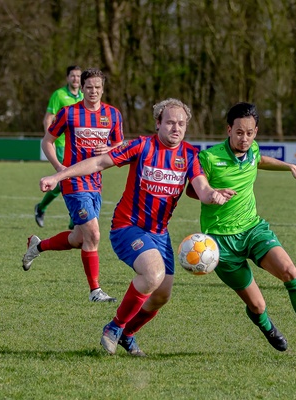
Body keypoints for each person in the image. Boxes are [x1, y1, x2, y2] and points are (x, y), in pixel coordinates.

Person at [38, 98, 233, 356]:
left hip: (159, 234)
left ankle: (128, 335)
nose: (176, 128)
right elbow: (99, 163)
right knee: (152, 275)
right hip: (127, 227)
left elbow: (202, 189)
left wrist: (213, 196)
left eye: (182, 124)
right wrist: (58, 175)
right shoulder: (142, 146)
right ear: (158, 124)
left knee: (162, 295)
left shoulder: (189, 155)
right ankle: (114, 327)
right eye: (171, 122)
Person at [186, 102, 296, 357]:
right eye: (239, 133)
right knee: (257, 305)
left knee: (290, 271)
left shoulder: (252, 149)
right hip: (221, 243)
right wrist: (212, 194)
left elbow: (259, 159)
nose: (245, 139)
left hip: (253, 229)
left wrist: (290, 166)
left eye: (250, 133)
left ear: (256, 131)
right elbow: (194, 189)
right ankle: (266, 326)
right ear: (228, 130)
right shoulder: (209, 158)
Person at [22, 68, 124, 303]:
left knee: (80, 238)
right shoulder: (69, 113)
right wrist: (60, 170)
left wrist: (109, 149)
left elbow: (119, 145)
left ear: (103, 88)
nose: (93, 91)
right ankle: (95, 291)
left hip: (96, 182)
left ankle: (37, 247)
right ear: (83, 88)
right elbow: (47, 141)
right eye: (89, 87)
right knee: (94, 235)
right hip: (74, 183)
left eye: (98, 87)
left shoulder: (113, 114)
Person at [35, 65, 84, 228]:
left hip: (80, 146)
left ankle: (42, 208)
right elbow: (48, 118)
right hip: (62, 144)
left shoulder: (85, 95)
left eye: (78, 76)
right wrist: (50, 139)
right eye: (73, 76)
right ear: (67, 78)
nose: (76, 79)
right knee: (67, 180)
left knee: (73, 180)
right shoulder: (59, 95)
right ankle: (73, 220)